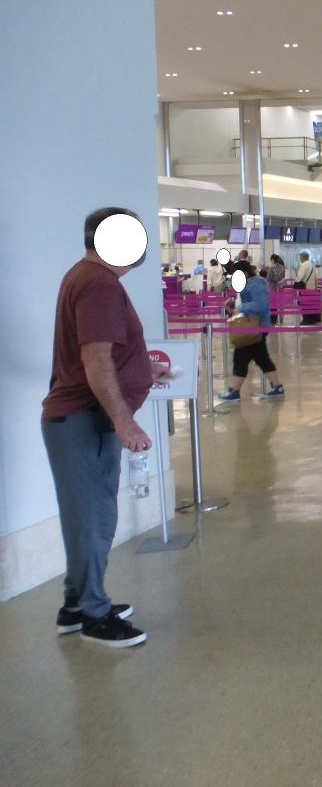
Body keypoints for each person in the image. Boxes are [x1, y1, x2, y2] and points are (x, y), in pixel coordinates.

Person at [42, 207, 161, 648]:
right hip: (84, 420)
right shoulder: (98, 284)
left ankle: (77, 604)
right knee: (94, 520)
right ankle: (94, 614)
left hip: (78, 419)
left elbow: (99, 355)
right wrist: (124, 420)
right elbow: (94, 359)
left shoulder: (86, 278)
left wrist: (141, 368)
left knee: (85, 517)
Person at [219, 261, 285, 402]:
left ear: (245, 273)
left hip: (255, 327)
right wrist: (233, 303)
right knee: (262, 358)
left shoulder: (255, 285)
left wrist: (240, 308)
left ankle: (235, 391)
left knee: (240, 358)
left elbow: (260, 305)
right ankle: (277, 387)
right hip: (252, 326)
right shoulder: (248, 284)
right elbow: (246, 301)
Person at [294, 250, 320, 325]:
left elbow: (300, 277)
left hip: (305, 288)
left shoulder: (304, 265)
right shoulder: (312, 265)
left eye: (300, 257)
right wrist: (316, 286)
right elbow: (316, 278)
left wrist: (296, 281)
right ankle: (312, 319)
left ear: (303, 257)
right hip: (312, 288)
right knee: (311, 305)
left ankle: (306, 320)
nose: (300, 259)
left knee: (304, 304)